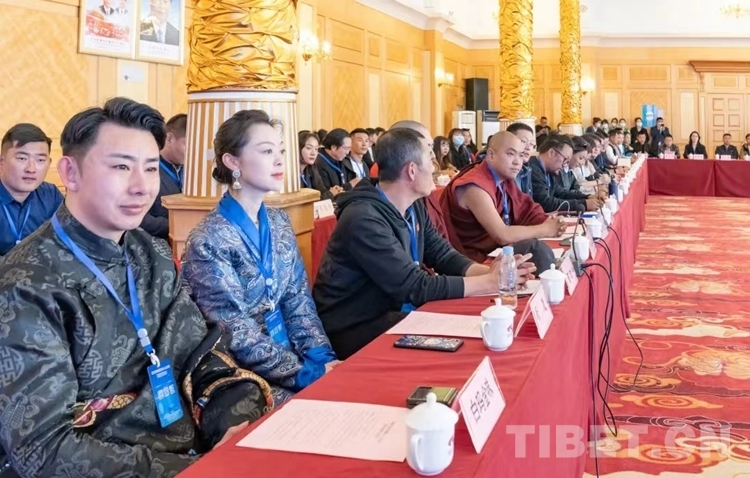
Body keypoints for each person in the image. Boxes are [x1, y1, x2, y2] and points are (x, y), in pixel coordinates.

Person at [0, 98, 272, 477]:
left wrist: (230, 425)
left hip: (188, 450)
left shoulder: (151, 254)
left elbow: (201, 356)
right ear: (71, 173)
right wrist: (195, 468)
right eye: (121, 167)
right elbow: (42, 449)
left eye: (150, 168)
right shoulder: (25, 283)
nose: (142, 187)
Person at [313, 123, 535, 359]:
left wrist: (496, 274)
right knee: (467, 348)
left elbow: (442, 254)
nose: (435, 166)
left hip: (396, 312)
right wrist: (489, 282)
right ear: (411, 170)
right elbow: (414, 286)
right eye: (430, 158)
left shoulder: (413, 206)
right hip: (356, 326)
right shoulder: (363, 218)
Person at [181, 110, 338, 406]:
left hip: (292, 356)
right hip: (243, 376)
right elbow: (234, 330)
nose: (279, 160)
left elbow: (297, 299)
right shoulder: (208, 239)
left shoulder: (279, 222)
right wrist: (307, 374)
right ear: (233, 161)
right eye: (267, 151)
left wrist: (322, 359)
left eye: (281, 151)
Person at [440, 131, 562, 271]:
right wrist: (545, 229)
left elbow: (526, 209)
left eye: (520, 155)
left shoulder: (503, 179)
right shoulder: (474, 186)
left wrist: (549, 221)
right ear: (491, 155)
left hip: (497, 251)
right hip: (471, 262)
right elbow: (502, 235)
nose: (517, 162)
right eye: (510, 154)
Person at [0, 123, 64, 257]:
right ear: (1, 162)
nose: (31, 169)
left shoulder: (50, 195)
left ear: (49, 163)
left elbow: (67, 241)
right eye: (22, 158)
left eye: (40, 160)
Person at [140, 113, 186, 240]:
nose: (193, 152)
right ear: (169, 138)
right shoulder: (147, 169)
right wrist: (175, 226)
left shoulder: (192, 171)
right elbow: (141, 219)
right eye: (188, 145)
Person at [529, 134, 601, 213]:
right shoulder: (533, 169)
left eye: (568, 161)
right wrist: (584, 203)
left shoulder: (550, 171)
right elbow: (546, 203)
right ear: (551, 152)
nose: (565, 165)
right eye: (565, 159)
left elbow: (561, 193)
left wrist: (587, 197)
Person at [315, 128, 357, 193]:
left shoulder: (341, 160)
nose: (348, 152)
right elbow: (325, 193)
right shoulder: (319, 163)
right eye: (346, 148)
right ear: (333, 147)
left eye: (349, 148)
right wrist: (349, 185)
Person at [299, 131, 339, 200]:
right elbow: (305, 201)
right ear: (298, 148)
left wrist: (333, 192)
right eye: (309, 148)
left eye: (316, 149)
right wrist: (330, 194)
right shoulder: (290, 176)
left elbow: (322, 190)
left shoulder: (312, 168)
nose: (313, 153)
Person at [506, 123, 535, 196]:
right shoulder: (503, 169)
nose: (528, 148)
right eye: (523, 141)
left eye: (531, 144)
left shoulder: (526, 170)